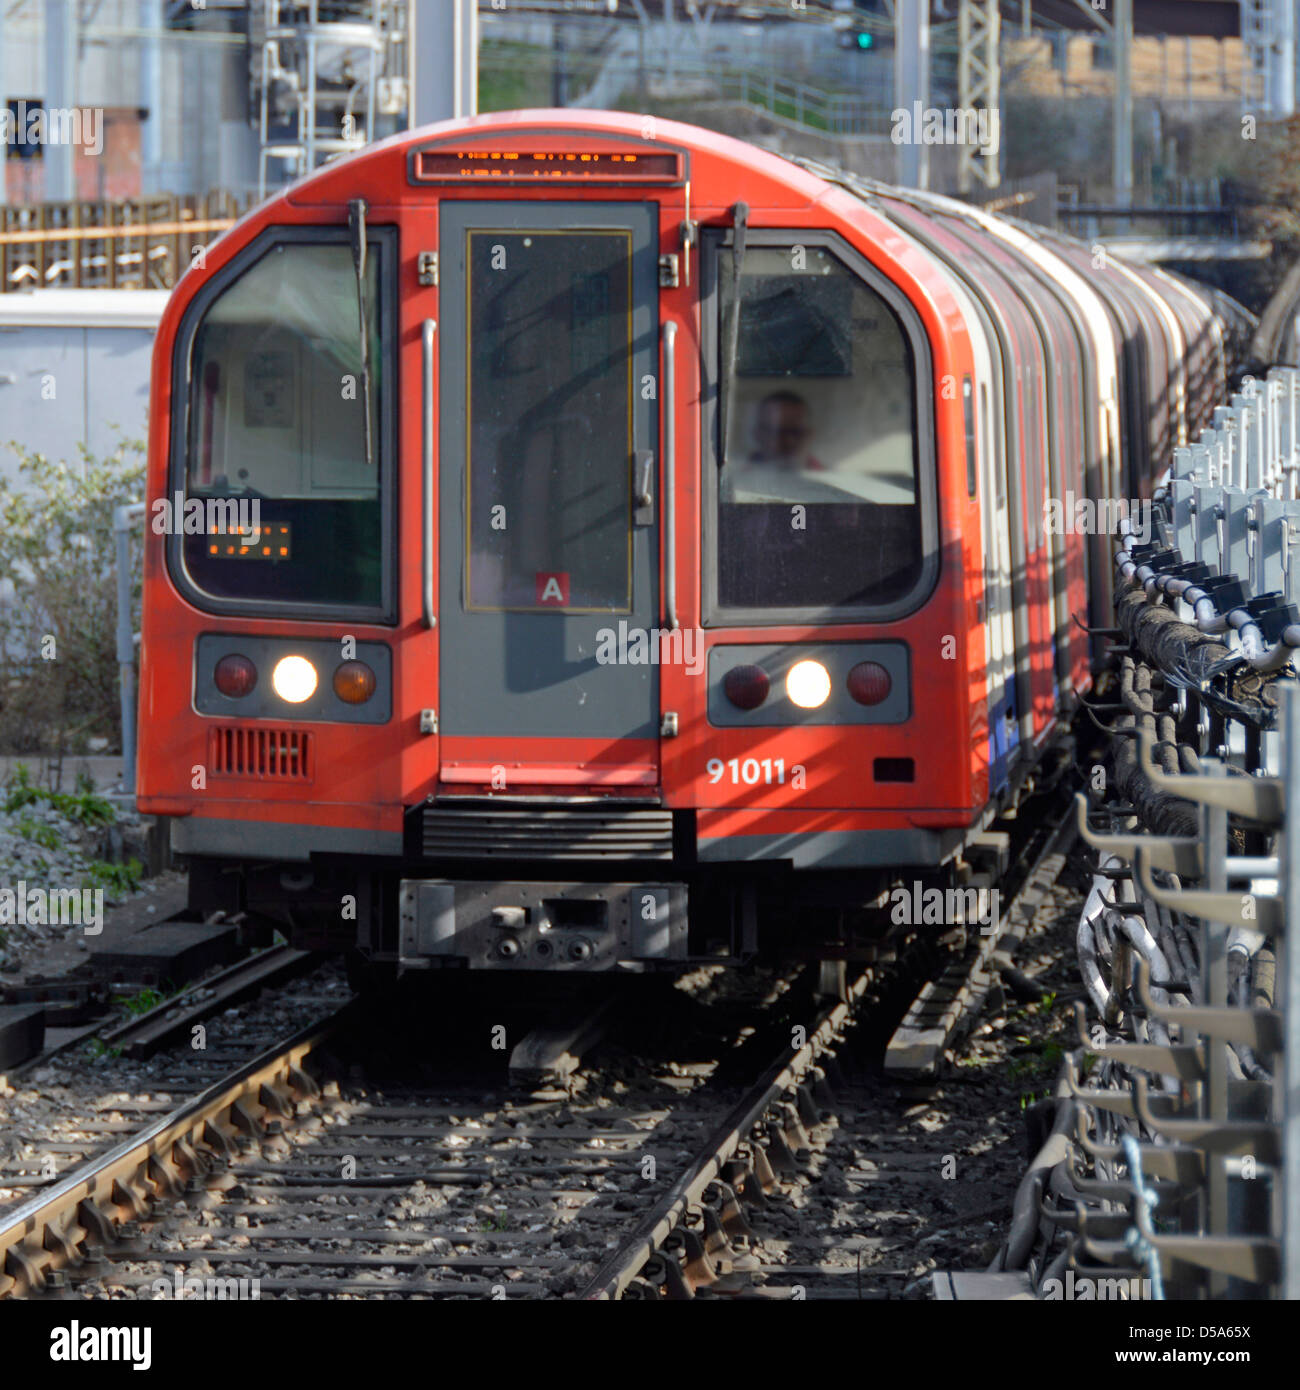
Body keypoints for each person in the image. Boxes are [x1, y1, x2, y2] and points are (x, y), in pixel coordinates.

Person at [749, 390, 825, 472]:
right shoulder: (738, 474)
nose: (784, 441)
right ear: (757, 433)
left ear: (809, 434)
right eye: (772, 431)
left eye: (794, 432)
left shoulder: (826, 478)